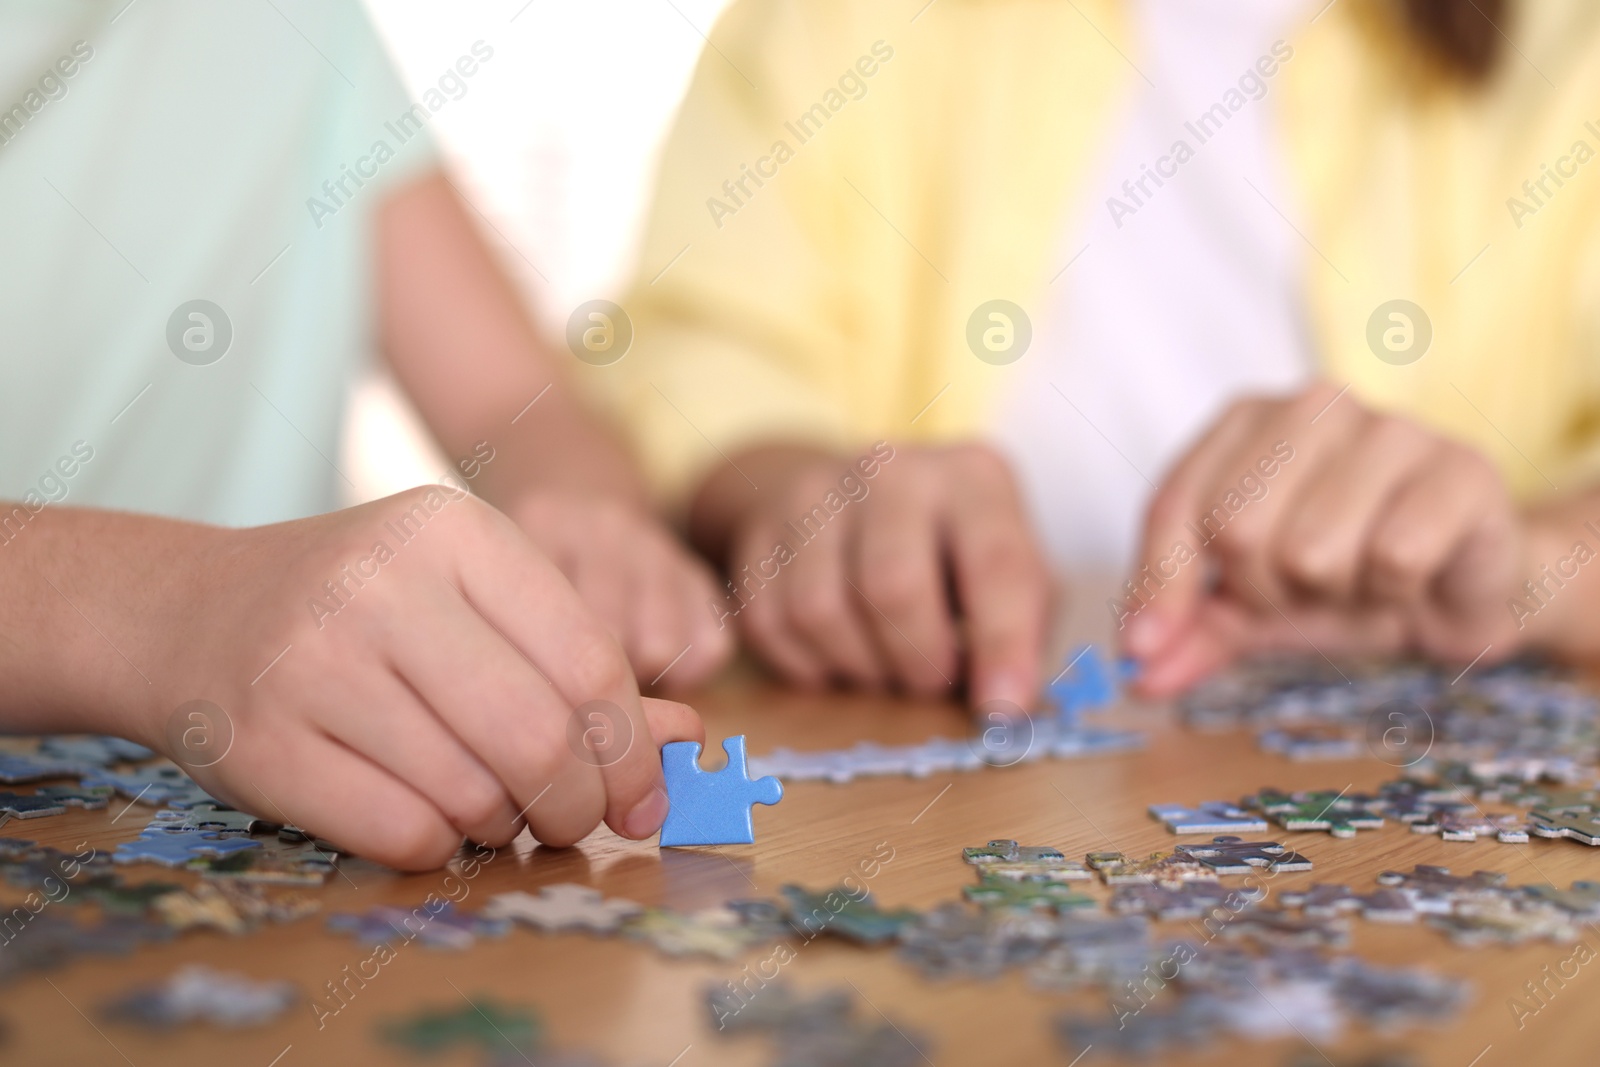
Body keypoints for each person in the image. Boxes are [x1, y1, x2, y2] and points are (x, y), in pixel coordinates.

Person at [598, 0, 1600, 703]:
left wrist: (1531, 561)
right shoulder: (835, 21)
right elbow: (702, 350)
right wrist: (801, 490)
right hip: (938, 777)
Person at [0, 2, 731, 869]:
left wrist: (580, 516)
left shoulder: (298, 27)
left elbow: (518, 405)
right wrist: (170, 609)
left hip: (263, 862)